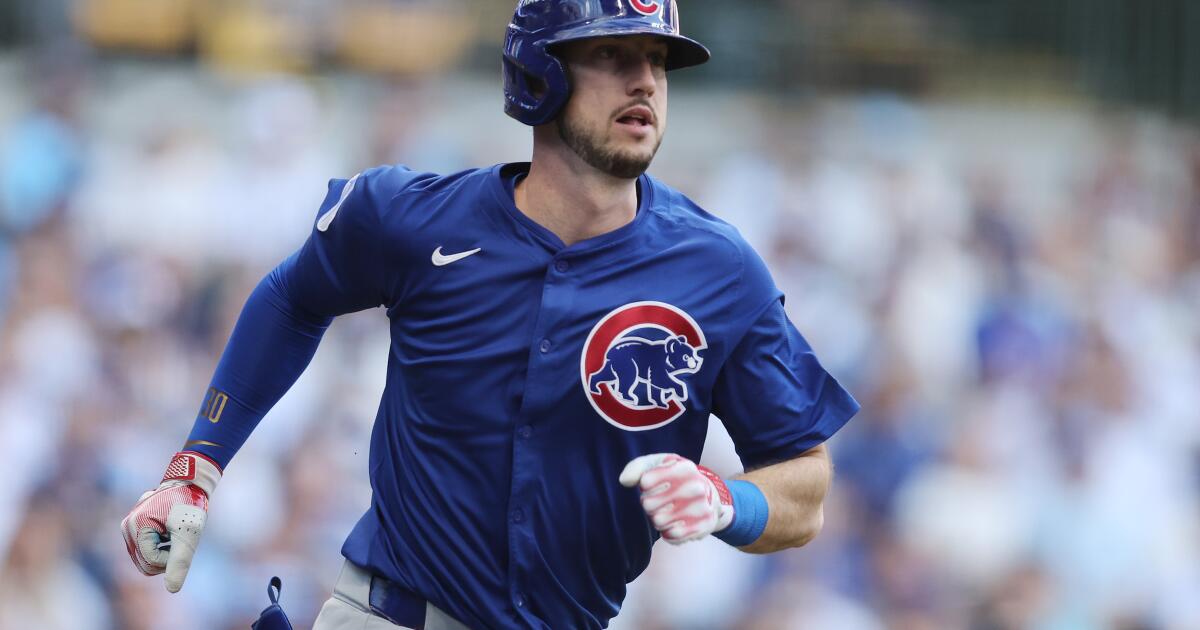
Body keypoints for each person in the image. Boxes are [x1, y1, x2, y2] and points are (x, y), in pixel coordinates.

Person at [120, 1, 860, 628]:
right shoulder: (413, 220)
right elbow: (292, 296)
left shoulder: (719, 270)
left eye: (658, 60)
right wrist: (196, 467)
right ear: (540, 71)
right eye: (612, 54)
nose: (645, 80)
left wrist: (729, 500)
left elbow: (805, 485)